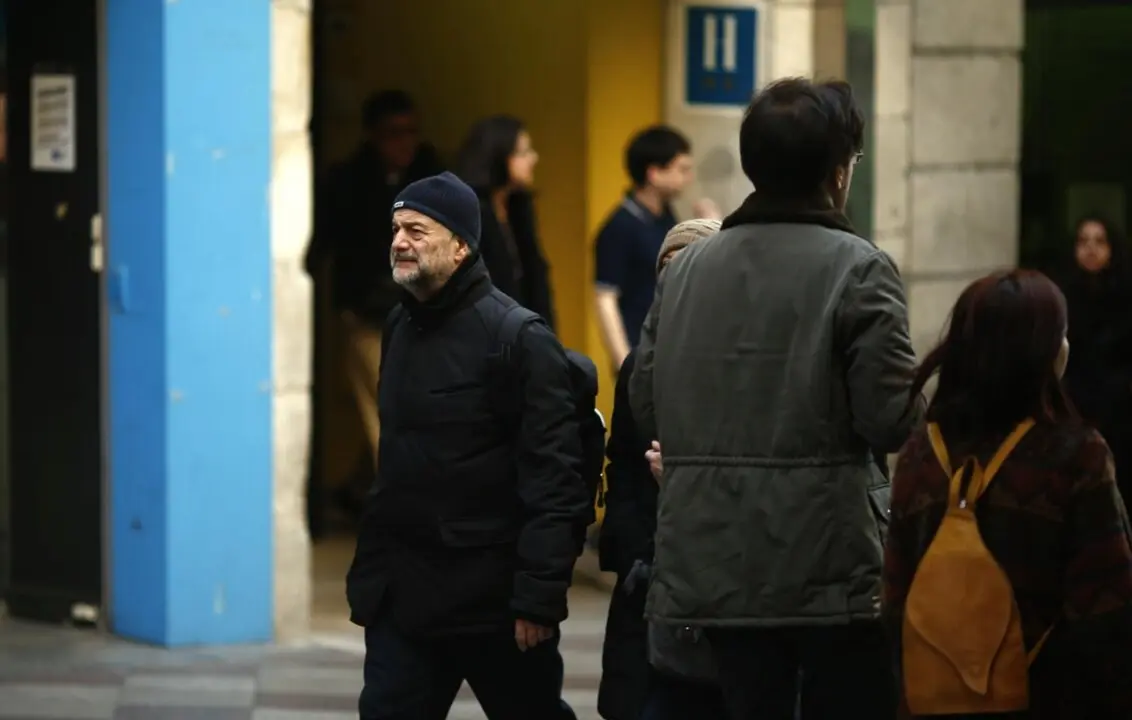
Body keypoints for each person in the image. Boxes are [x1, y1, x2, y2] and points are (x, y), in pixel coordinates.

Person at [629, 77, 920, 719]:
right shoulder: (860, 268)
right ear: (838, 172)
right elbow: (890, 418)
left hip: (713, 558)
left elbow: (647, 404)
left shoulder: (687, 271)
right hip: (829, 562)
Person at [346, 172, 591, 720]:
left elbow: (556, 481)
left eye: (416, 229)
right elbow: (397, 465)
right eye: (395, 228)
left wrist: (538, 597)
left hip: (495, 607)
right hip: (406, 601)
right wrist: (374, 580)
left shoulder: (518, 338)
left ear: (461, 246)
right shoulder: (399, 326)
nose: (399, 241)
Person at [884, 269, 1132, 718]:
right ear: (1045, 353)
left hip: (931, 701)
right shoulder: (1077, 458)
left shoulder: (924, 451)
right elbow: (1106, 616)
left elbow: (895, 600)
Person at [598, 219, 726, 720]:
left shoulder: (744, 365)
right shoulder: (640, 367)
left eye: (689, 271)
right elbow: (622, 465)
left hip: (719, 582)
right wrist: (633, 556)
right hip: (647, 576)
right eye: (666, 272)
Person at [304, 89, 445, 527]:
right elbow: (322, 244)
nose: (404, 142)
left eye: (411, 132)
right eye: (393, 134)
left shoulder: (430, 175)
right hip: (368, 315)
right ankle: (407, 511)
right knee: (385, 411)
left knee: (416, 409)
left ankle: (360, 488)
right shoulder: (348, 180)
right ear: (372, 136)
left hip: (424, 313)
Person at [593, 126, 720, 373]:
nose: (688, 177)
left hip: (669, 348)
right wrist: (624, 364)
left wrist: (710, 229)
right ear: (654, 173)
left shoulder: (665, 217)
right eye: (681, 169)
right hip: (640, 353)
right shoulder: (619, 226)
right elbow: (605, 298)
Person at [456, 115, 557, 329]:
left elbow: (535, 279)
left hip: (525, 335)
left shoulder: (519, 207)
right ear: (498, 157)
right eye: (523, 152)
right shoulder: (470, 212)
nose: (534, 158)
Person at [1058, 215, 1132, 499]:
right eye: (1083, 241)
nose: (1090, 249)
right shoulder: (1062, 297)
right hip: (1075, 408)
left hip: (1121, 413)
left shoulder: (1125, 296)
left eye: (1099, 241)